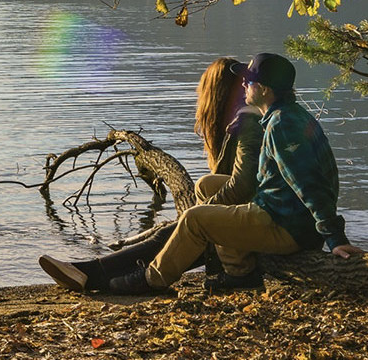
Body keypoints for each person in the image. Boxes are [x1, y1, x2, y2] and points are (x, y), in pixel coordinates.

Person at [106, 52, 364, 294]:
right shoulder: (284, 115)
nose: (243, 85)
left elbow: (310, 184)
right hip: (282, 210)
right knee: (208, 185)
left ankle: (152, 279)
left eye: (249, 81)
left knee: (195, 219)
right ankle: (240, 273)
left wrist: (334, 237)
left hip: (287, 225)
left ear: (263, 89)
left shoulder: (282, 126)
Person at [37, 56, 261, 293]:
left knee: (172, 232)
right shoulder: (242, 124)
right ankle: (93, 272)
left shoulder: (246, 127)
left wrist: (201, 212)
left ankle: (94, 273)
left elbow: (241, 186)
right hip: (242, 218)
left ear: (213, 93)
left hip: (250, 225)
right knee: (174, 232)